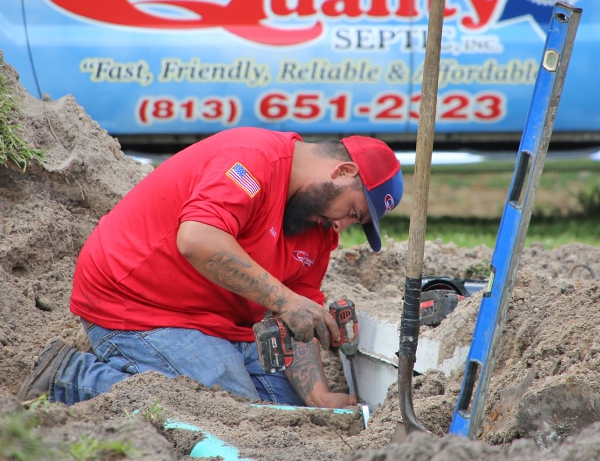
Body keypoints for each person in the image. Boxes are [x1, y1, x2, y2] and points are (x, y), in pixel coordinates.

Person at [18, 127, 403, 409]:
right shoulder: (252, 161)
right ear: (342, 172)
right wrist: (283, 300)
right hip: (138, 306)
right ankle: (71, 377)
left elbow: (298, 314)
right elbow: (198, 239)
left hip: (218, 323)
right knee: (227, 408)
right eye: (353, 213)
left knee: (285, 408)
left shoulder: (315, 225)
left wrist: (317, 393)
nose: (341, 227)